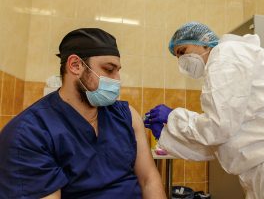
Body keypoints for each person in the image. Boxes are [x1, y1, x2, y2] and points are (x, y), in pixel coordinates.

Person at [0, 28, 166, 199]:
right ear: (75, 66)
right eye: (109, 69)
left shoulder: (127, 116)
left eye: (118, 70)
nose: (117, 79)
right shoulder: (29, 134)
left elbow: (149, 179)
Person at [144, 21, 264, 199]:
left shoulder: (225, 55)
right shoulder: (227, 61)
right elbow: (221, 144)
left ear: (203, 41)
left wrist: (173, 118)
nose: (181, 61)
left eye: (182, 51)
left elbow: (218, 128)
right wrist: (168, 135)